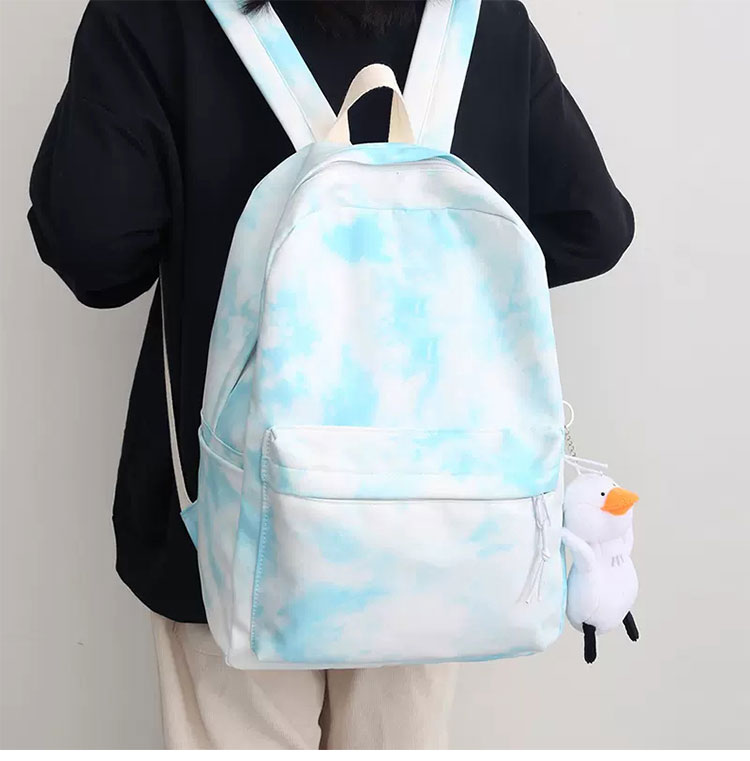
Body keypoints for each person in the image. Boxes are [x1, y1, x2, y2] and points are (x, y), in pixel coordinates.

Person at [27, 0, 634, 750]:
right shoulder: (479, 18)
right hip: (437, 521)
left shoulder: (154, 16)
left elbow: (93, 252)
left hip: (227, 527)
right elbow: (593, 226)